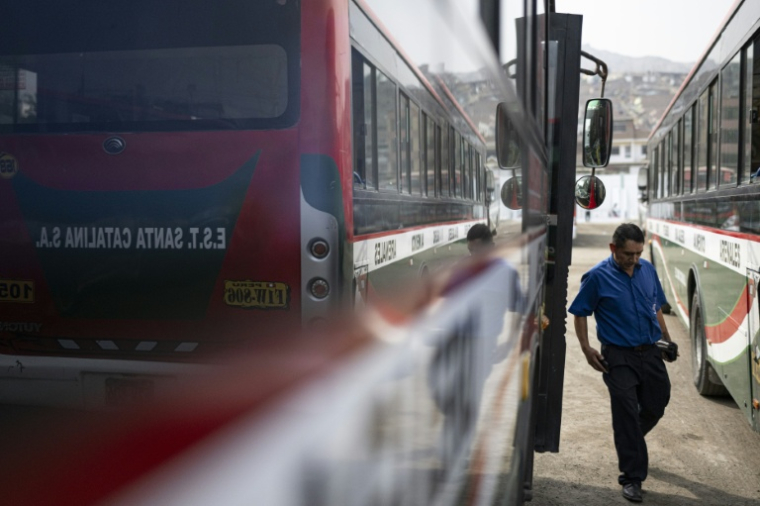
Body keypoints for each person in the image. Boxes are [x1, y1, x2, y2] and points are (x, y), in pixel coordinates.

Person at [568, 223, 674, 503]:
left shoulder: (648, 270)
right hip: (617, 355)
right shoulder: (597, 277)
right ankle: (632, 477)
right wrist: (586, 348)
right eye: (629, 254)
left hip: (650, 351)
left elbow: (655, 307)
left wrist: (666, 339)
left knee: (656, 404)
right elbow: (580, 313)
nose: (635, 260)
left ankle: (630, 440)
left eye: (639, 253)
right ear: (613, 248)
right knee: (626, 411)